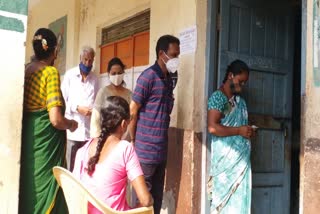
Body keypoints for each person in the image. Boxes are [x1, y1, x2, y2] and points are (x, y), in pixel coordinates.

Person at [19, 28, 78, 214]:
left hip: (28, 142)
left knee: (29, 187)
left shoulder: (25, 70)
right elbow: (55, 119)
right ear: (54, 51)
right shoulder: (49, 73)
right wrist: (70, 124)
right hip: (45, 150)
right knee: (49, 189)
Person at [73, 96, 153, 213]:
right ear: (124, 124)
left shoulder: (83, 150)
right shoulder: (125, 149)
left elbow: (74, 192)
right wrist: (151, 201)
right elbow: (145, 200)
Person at [130, 35, 180, 214]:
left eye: (178, 55)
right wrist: (134, 140)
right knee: (142, 201)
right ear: (161, 54)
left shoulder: (169, 79)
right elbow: (133, 110)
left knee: (156, 200)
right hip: (145, 151)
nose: (176, 60)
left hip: (161, 151)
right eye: (174, 55)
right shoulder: (148, 77)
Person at [207, 59, 253, 213]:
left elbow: (239, 125)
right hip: (225, 165)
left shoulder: (240, 102)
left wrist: (247, 131)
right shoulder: (218, 98)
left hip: (240, 162)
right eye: (240, 81)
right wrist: (239, 131)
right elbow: (213, 127)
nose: (242, 85)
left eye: (244, 83)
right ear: (230, 75)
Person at [61, 46, 99, 171]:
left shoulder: (95, 79)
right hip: (73, 132)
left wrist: (93, 111)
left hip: (88, 133)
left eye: (90, 61)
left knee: (85, 168)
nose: (88, 63)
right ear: (80, 58)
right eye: (85, 60)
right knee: (71, 168)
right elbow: (62, 101)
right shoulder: (70, 75)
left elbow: (97, 102)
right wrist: (77, 108)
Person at [90, 57, 131, 138]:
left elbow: (131, 118)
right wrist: (96, 139)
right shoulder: (103, 92)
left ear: (123, 73)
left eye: (119, 73)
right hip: (106, 140)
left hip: (125, 139)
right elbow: (95, 118)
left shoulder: (129, 94)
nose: (117, 76)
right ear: (109, 74)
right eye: (114, 73)